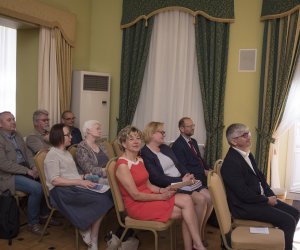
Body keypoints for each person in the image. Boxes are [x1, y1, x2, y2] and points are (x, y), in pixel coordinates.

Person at [116, 125, 207, 250]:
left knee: (187, 200)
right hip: (137, 205)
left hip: (149, 197)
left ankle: (196, 245)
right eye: (131, 139)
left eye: (138, 138)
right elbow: (135, 195)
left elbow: (148, 185)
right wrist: (161, 196)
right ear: (123, 143)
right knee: (187, 211)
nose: (136, 141)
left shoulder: (139, 160)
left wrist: (161, 190)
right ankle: (196, 245)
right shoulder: (122, 165)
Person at [221, 123, 300, 250]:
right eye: (244, 135)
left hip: (257, 199)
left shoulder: (247, 154)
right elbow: (243, 194)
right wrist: (266, 200)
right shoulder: (231, 163)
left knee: (295, 213)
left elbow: (261, 178)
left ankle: (281, 243)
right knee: (288, 221)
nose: (249, 137)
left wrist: (270, 195)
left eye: (248, 133)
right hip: (245, 207)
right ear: (234, 141)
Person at [44, 123, 113, 250]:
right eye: (68, 135)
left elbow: (71, 175)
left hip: (72, 186)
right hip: (60, 192)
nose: (71, 137)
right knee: (102, 200)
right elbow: (55, 181)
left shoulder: (65, 153)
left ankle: (88, 231)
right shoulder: (52, 155)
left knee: (108, 194)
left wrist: (84, 177)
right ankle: (92, 237)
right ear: (59, 136)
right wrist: (80, 182)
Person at [141, 121, 211, 245]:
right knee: (200, 200)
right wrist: (181, 181)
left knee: (206, 198)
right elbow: (156, 178)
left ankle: (197, 237)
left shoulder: (164, 147)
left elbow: (178, 164)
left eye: (164, 132)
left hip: (181, 181)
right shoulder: (145, 153)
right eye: (161, 132)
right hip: (169, 186)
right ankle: (196, 240)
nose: (164, 134)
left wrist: (186, 175)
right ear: (151, 134)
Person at [0, 111, 53, 235]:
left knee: (48, 180)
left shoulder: (17, 134)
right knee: (37, 188)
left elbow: (27, 154)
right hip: (8, 175)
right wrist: (26, 170)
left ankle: (44, 215)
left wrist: (34, 167)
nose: (13, 121)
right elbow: (3, 164)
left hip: (24, 169)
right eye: (9, 120)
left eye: (13, 119)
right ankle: (33, 223)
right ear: (0, 124)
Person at [172, 118, 213, 233]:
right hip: (193, 179)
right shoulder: (177, 145)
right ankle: (196, 232)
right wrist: (203, 172)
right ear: (181, 129)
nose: (192, 128)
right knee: (208, 198)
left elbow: (200, 159)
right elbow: (184, 168)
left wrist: (208, 169)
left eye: (193, 125)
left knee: (211, 199)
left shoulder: (193, 141)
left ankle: (201, 229)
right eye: (189, 126)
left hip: (201, 176)